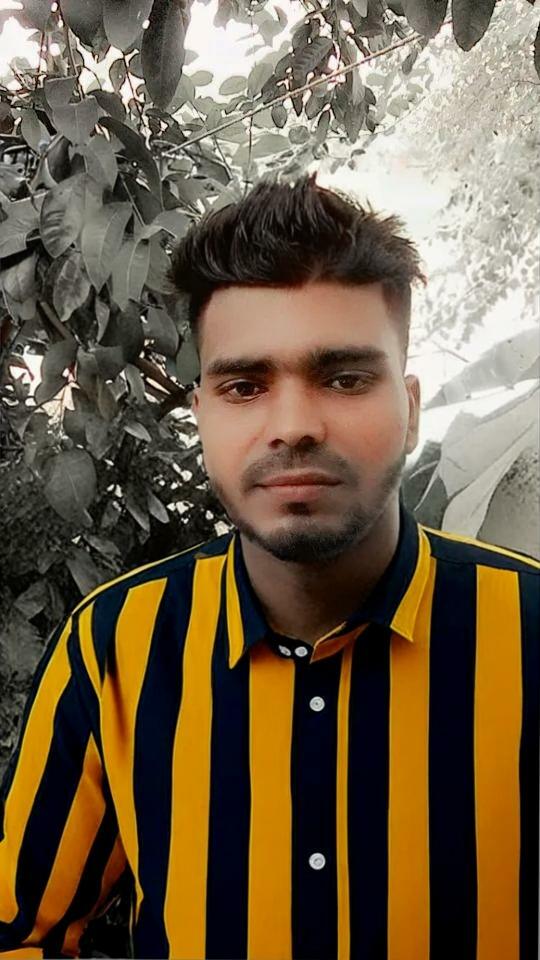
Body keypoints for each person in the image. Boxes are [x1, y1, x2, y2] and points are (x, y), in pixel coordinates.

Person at [0, 173, 538, 960]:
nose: (293, 426)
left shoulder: (529, 633)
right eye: (246, 385)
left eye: (344, 378)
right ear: (202, 416)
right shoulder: (114, 649)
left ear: (411, 408)